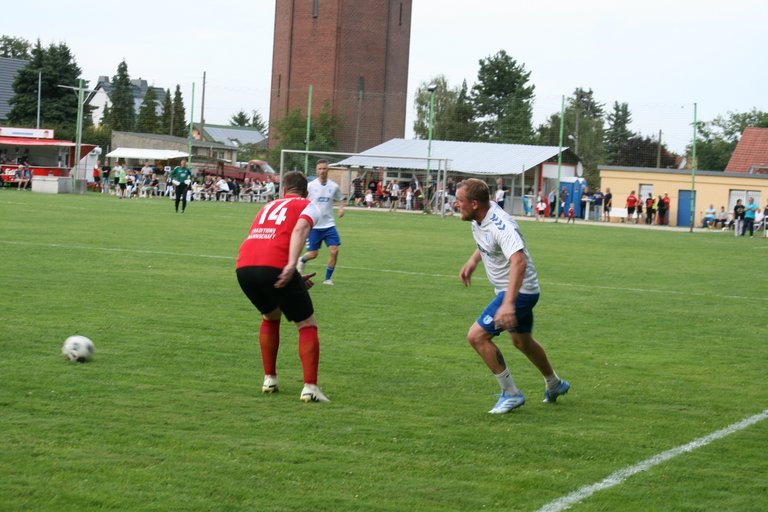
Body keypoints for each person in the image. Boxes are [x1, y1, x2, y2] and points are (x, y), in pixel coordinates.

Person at [456, 178, 570, 414]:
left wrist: (508, 303)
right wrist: (473, 261)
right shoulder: (481, 217)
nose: (456, 205)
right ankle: (554, 383)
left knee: (476, 336)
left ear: (475, 203)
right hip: (518, 291)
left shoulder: (501, 225)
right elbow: (487, 242)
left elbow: (519, 261)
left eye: (459, 201)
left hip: (519, 292)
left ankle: (511, 393)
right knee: (522, 342)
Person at [235, 170, 330, 404]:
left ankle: (270, 379)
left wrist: (295, 275)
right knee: (307, 323)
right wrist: (291, 265)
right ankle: (310, 388)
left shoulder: (267, 206)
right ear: (305, 192)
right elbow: (299, 229)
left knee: (270, 315)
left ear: (283, 190)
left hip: (244, 267)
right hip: (276, 264)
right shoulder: (307, 205)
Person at [296, 160, 345, 285]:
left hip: (329, 225)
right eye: (320, 169)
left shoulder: (333, 186)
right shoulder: (310, 186)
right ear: (316, 171)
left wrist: (341, 208)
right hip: (314, 226)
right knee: (313, 254)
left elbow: (341, 198)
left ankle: (327, 279)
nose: (322, 171)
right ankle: (301, 260)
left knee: (334, 251)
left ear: (328, 170)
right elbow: (301, 200)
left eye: (324, 168)